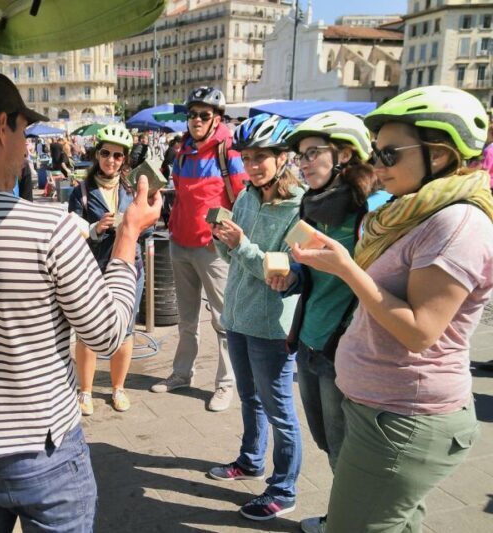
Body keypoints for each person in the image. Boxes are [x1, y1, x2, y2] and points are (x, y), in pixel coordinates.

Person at [0, 69, 161, 532]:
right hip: (46, 451)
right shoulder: (47, 229)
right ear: (2, 126)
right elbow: (107, 333)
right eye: (23, 129)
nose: (25, 145)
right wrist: (129, 235)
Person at [292, 85, 493, 532]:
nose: (376, 165)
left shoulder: (456, 222)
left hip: (405, 414)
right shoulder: (413, 211)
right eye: (376, 153)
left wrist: (347, 268)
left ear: (438, 155)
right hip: (383, 404)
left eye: (388, 155)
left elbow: (421, 331)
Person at [270, 111, 387, 533]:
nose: (302, 163)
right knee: (326, 442)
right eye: (299, 155)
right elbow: (310, 274)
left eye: (311, 153)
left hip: (347, 350)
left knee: (346, 449)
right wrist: (289, 277)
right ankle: (345, 516)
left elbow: (383, 286)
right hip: (309, 341)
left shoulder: (374, 211)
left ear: (345, 154)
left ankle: (349, 522)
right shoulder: (311, 204)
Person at [208, 113, 303, 521]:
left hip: (271, 327)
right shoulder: (246, 196)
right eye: (247, 158)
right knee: (249, 399)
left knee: (279, 409)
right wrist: (222, 240)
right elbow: (232, 258)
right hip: (238, 317)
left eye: (261, 157)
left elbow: (279, 275)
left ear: (283, 157)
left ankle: (285, 489)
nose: (252, 166)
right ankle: (250, 461)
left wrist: (242, 244)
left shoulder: (300, 206)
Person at [150, 87, 247, 413]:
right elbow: (178, 192)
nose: (196, 120)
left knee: (223, 320)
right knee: (186, 318)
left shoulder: (228, 153)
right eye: (192, 115)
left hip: (213, 250)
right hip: (181, 244)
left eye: (204, 115)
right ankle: (182, 373)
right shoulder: (183, 152)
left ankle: (225, 385)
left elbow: (243, 199)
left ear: (216, 118)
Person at [68, 125, 148, 415]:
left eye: (117, 155)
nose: (111, 160)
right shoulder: (82, 192)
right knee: (87, 331)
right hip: (93, 269)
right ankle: (85, 391)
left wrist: (137, 226)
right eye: (105, 153)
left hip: (130, 269)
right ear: (96, 154)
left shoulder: (133, 190)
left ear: (124, 159)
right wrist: (94, 228)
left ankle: (118, 388)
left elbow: (147, 227)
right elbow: (70, 228)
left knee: (125, 331)